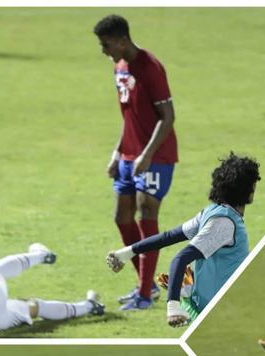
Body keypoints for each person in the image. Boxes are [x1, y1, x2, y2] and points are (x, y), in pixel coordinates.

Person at [106, 153, 259, 326]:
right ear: (248, 189)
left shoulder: (212, 212)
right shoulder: (223, 223)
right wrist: (173, 307)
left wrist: (127, 252)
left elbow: (168, 237)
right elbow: (180, 258)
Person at [94, 14, 179, 310]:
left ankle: (144, 295)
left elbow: (168, 117)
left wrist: (147, 155)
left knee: (146, 214)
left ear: (121, 40)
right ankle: (147, 287)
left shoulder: (150, 68)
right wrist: (118, 152)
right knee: (122, 217)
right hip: (129, 155)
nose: (103, 51)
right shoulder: (119, 67)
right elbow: (129, 116)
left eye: (106, 45)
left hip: (156, 156)